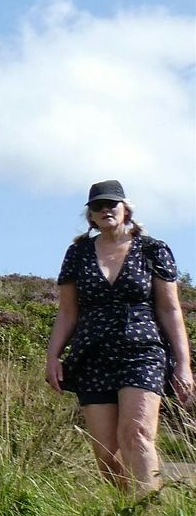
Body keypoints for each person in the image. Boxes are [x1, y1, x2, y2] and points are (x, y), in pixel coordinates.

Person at [46, 180, 193, 493]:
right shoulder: (78, 253)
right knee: (105, 452)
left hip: (143, 351)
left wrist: (183, 364)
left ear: (126, 209)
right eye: (98, 206)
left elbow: (170, 310)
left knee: (136, 433)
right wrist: (53, 356)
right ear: (91, 216)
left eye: (111, 203)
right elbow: (68, 312)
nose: (105, 210)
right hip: (92, 355)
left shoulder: (153, 249)